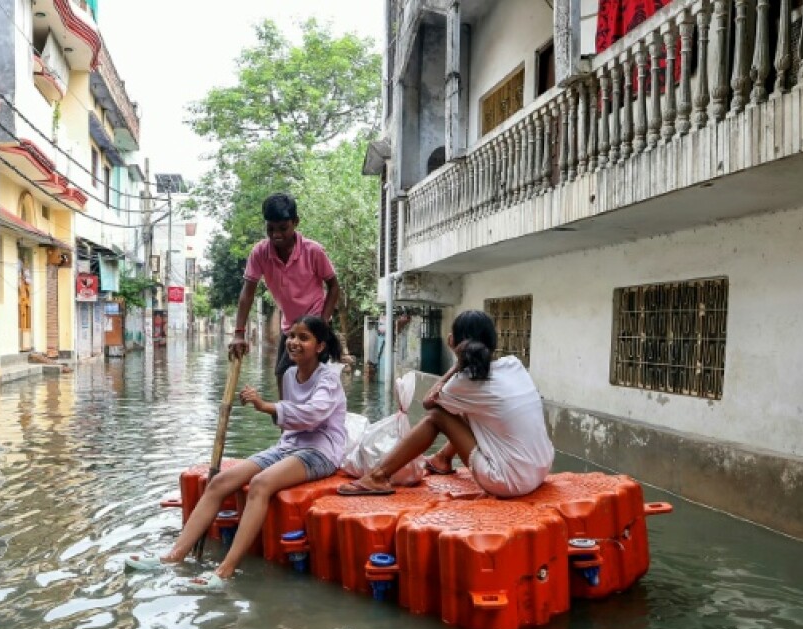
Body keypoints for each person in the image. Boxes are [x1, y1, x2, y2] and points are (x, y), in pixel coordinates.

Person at [128, 315, 348, 590]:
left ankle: (225, 570)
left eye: (303, 338)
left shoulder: (329, 379)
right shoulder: (291, 374)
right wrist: (271, 411)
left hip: (321, 450)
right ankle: (173, 556)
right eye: (292, 336)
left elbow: (314, 415)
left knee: (260, 483)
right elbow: (291, 422)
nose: (293, 342)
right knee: (219, 482)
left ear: (320, 346)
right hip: (289, 446)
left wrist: (265, 406)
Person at [338, 309, 554, 498]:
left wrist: (457, 364)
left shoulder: (465, 381)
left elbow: (429, 403)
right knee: (469, 413)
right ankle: (442, 458)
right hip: (542, 467)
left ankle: (378, 476)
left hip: (510, 482)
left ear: (454, 341)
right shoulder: (513, 364)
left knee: (438, 416)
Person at [229, 193, 341, 399]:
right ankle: (286, 427)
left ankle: (305, 422)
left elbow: (334, 287)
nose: (276, 235)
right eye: (270, 229)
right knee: (282, 376)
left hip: (315, 323)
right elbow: (247, 293)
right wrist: (238, 333)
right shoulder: (260, 253)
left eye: (283, 228)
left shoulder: (313, 251)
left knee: (311, 381)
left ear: (295, 223)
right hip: (289, 326)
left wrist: (323, 324)